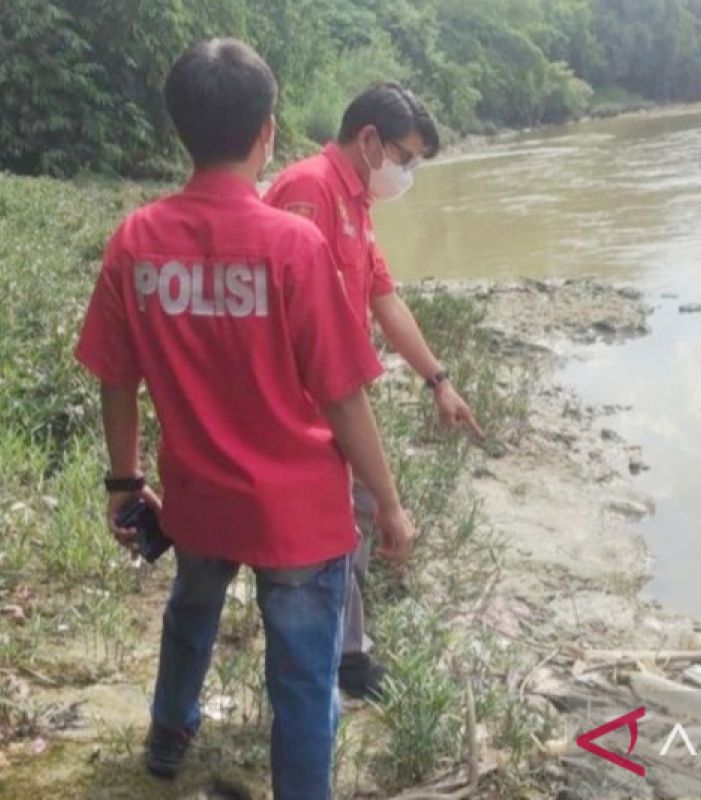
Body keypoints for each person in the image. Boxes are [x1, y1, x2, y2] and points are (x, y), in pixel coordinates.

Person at [73, 39, 416, 799]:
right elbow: (342, 395)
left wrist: (123, 482)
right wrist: (389, 504)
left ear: (180, 130)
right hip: (298, 516)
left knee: (190, 616)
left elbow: (115, 380)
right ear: (268, 129)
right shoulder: (292, 243)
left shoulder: (136, 240)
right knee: (301, 683)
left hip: (199, 501)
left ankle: (168, 733)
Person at [264, 82, 482, 700]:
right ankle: (339, 658)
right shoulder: (310, 191)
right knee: (345, 521)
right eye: (405, 157)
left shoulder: (356, 199)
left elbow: (383, 299)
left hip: (339, 395)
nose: (407, 172)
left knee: (355, 517)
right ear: (368, 140)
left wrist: (439, 380)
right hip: (310, 405)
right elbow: (287, 320)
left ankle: (346, 649)